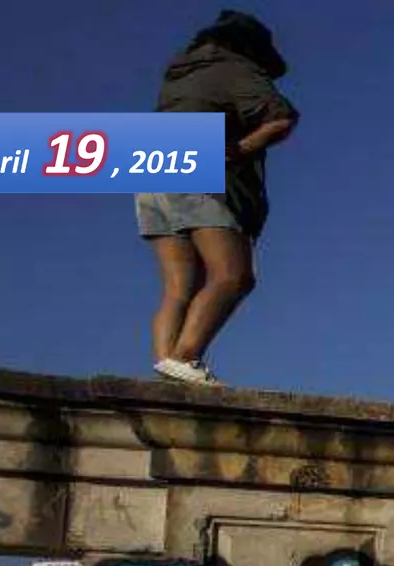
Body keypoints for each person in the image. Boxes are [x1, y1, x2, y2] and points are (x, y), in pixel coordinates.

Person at [136, 10, 298, 388]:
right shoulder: (236, 67)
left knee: (180, 287)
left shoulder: (179, 73)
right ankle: (185, 356)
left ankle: (169, 369)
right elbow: (282, 117)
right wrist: (240, 148)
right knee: (233, 275)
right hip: (200, 170)